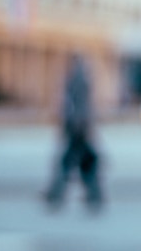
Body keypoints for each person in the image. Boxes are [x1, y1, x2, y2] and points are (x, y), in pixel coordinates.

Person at [44, 55, 103, 211]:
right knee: (85, 162)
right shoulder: (81, 79)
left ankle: (56, 194)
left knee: (70, 162)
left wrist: (71, 125)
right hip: (80, 127)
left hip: (77, 127)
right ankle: (93, 196)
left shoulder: (76, 80)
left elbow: (76, 106)